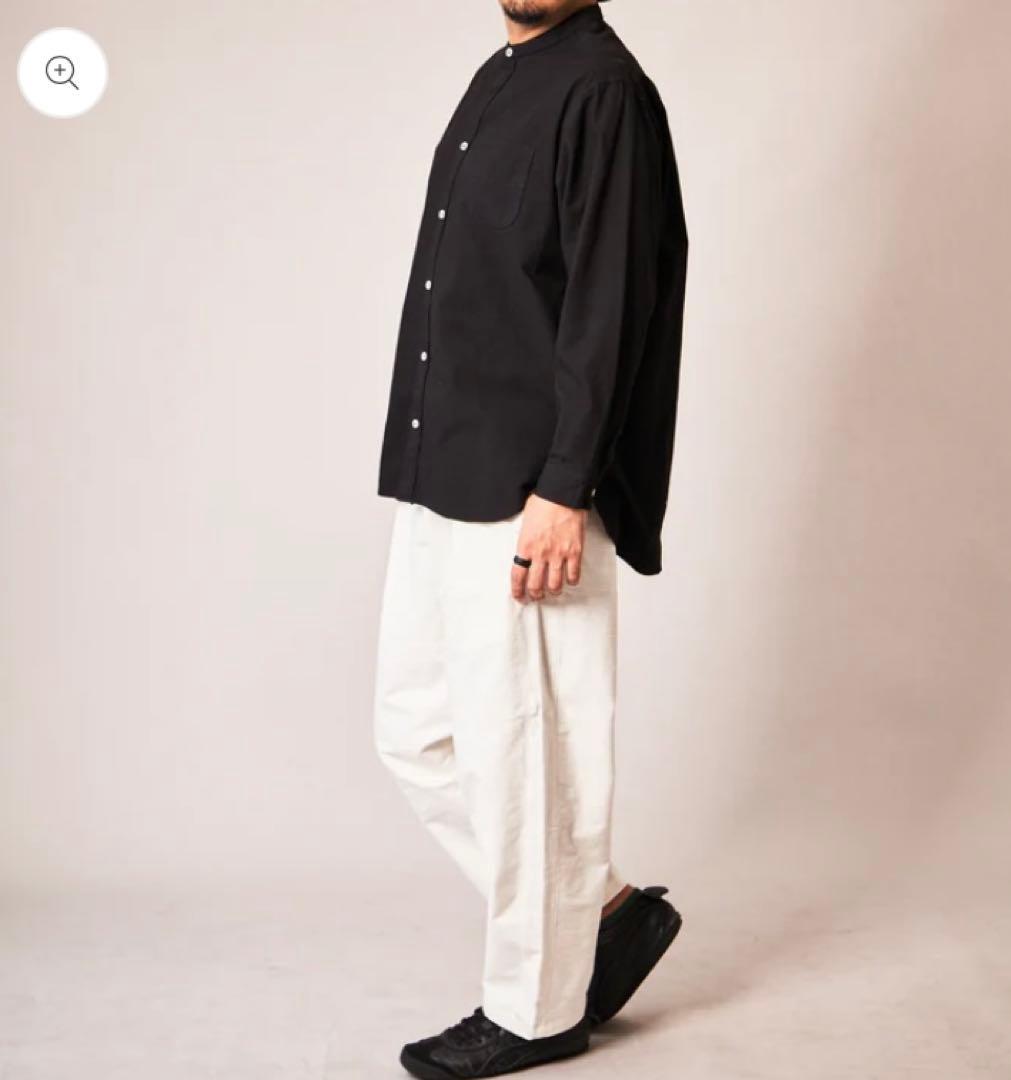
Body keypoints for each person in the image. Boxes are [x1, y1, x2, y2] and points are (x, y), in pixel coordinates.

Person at [372, 1, 688, 1074]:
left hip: (529, 486)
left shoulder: (604, 92)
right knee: (416, 732)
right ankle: (600, 914)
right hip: (445, 464)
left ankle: (536, 1010)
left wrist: (566, 486)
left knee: (522, 759)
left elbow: (612, 304)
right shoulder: (500, 77)